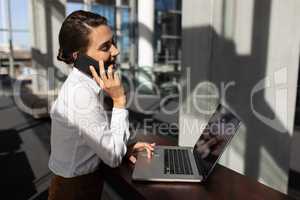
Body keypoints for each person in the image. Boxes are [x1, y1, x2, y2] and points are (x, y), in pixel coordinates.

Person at [48, 10, 155, 200]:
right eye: (105, 47)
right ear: (79, 57)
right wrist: (119, 101)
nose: (116, 51)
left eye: (113, 42)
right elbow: (113, 157)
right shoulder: (80, 95)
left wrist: (126, 146)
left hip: (82, 182)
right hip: (74, 190)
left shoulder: (88, 84)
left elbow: (106, 138)